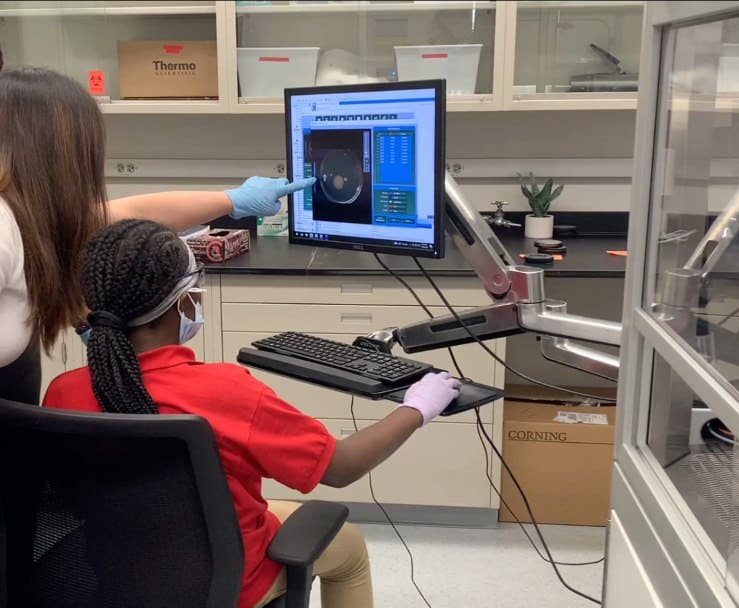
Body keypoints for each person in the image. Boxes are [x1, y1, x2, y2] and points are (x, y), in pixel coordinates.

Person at [42, 219, 461, 608]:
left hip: (109, 576)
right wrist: (416, 408)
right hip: (228, 584)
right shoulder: (225, 391)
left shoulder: (64, 391)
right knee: (349, 547)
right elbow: (340, 467)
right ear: (182, 301)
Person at [0, 67, 314, 404]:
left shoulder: (27, 219)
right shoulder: (4, 227)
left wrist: (233, 200)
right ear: (61, 158)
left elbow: (127, 211)